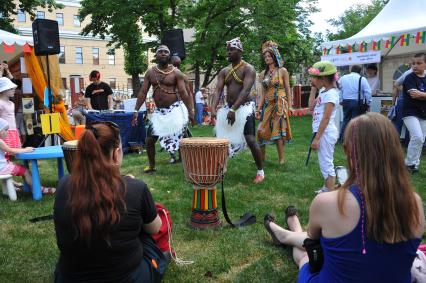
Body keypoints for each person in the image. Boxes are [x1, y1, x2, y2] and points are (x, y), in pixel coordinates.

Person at [264, 113, 424, 283]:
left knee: (307, 255)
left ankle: (286, 234)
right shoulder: (415, 203)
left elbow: (312, 241)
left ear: (348, 151)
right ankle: (287, 232)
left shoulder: (328, 202)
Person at [53, 121, 167, 282]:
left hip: (69, 278)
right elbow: (155, 228)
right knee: (146, 230)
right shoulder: (136, 188)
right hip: (127, 278)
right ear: (116, 153)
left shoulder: (63, 185)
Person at [132, 45, 194, 173]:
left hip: (175, 110)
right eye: (160, 51)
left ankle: (187, 164)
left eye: (166, 51)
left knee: (183, 139)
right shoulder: (150, 73)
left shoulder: (176, 72)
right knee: (150, 140)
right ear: (156, 55)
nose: (163, 53)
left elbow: (184, 93)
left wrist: (190, 111)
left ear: (169, 55)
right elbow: (143, 92)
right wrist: (136, 110)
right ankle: (152, 166)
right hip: (160, 113)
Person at [211, 37, 265, 183]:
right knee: (221, 141)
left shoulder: (249, 69)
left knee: (250, 139)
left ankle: (260, 171)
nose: (228, 52)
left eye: (232, 50)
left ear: (240, 51)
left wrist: (234, 110)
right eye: (227, 50)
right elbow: (217, 91)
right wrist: (213, 108)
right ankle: (222, 169)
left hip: (244, 108)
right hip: (229, 108)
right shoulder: (224, 71)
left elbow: (246, 90)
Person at [256, 40, 292, 165]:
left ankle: (281, 160)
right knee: (260, 132)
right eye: (265, 56)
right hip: (267, 104)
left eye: (269, 56)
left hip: (280, 105)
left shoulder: (282, 71)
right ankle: (261, 159)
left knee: (277, 132)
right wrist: (258, 108)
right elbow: (262, 94)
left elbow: (288, 89)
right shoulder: (262, 74)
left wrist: (290, 106)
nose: (266, 58)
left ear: (274, 56)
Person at [308, 61, 340, 192]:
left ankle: (331, 196)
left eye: (314, 77)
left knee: (326, 164)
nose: (311, 79)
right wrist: (313, 88)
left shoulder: (331, 94)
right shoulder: (323, 91)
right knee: (324, 163)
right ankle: (327, 188)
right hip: (322, 132)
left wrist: (317, 138)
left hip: (325, 133)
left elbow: (326, 118)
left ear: (323, 78)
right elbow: (311, 107)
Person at [0, 118, 55, 194]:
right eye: (5, 130)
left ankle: (15, 184)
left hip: (2, 166)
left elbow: (7, 152)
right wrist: (25, 150)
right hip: (2, 168)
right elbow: (10, 150)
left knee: (17, 165)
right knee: (25, 171)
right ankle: (38, 189)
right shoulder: (0, 141)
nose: (7, 133)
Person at [401, 53, 426, 173]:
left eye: (419, 63)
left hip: (424, 112)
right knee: (417, 136)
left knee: (421, 139)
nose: (415, 66)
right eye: (413, 63)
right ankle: (409, 164)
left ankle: (415, 165)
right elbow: (414, 95)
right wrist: (422, 95)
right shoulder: (409, 77)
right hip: (409, 111)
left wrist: (422, 95)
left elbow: (420, 95)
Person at [338, 65, 371, 139]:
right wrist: (368, 103)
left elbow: (338, 89)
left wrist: (340, 100)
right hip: (358, 102)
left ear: (351, 70)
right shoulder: (362, 79)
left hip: (346, 101)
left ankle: (343, 137)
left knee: (346, 120)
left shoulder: (343, 78)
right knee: (356, 121)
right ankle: (354, 138)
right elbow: (368, 92)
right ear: (360, 71)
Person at [0, 77, 21, 150]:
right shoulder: (0, 103)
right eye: (11, 89)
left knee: (14, 150)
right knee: (5, 151)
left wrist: (15, 129)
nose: (14, 90)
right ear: (3, 90)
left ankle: (9, 161)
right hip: (5, 131)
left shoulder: (12, 103)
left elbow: (12, 118)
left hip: (13, 130)